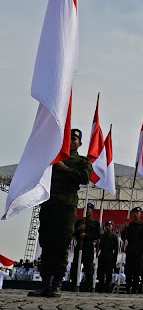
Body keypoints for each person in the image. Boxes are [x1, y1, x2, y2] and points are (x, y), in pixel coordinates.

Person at [29, 128, 93, 298]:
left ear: (80, 143)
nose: (71, 141)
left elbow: (85, 178)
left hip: (66, 207)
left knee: (61, 246)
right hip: (49, 204)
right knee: (46, 245)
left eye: (74, 139)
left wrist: (64, 168)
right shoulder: (53, 156)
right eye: (69, 139)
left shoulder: (82, 161)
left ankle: (56, 284)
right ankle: (45, 283)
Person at [70, 202, 101, 291]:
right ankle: (74, 285)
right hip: (79, 246)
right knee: (76, 266)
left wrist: (86, 236)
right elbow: (72, 233)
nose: (86, 211)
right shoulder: (79, 222)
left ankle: (88, 286)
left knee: (89, 268)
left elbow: (97, 236)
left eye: (88, 209)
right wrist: (78, 229)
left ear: (92, 211)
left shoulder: (95, 223)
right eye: (85, 209)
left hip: (88, 247)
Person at [121, 206, 143, 294]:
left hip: (139, 251)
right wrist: (124, 229)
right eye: (134, 213)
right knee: (128, 271)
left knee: (137, 271)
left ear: (140, 214)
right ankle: (128, 288)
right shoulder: (130, 225)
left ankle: (135, 289)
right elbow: (123, 238)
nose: (135, 214)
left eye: (137, 213)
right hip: (130, 250)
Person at [96, 220, 118, 293]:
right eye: (107, 226)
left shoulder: (114, 237)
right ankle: (100, 290)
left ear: (112, 227)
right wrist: (97, 244)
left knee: (109, 276)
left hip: (110, 257)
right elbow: (98, 248)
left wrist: (114, 261)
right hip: (102, 257)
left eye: (110, 226)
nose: (108, 227)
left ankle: (108, 291)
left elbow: (116, 250)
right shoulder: (101, 236)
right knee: (101, 275)